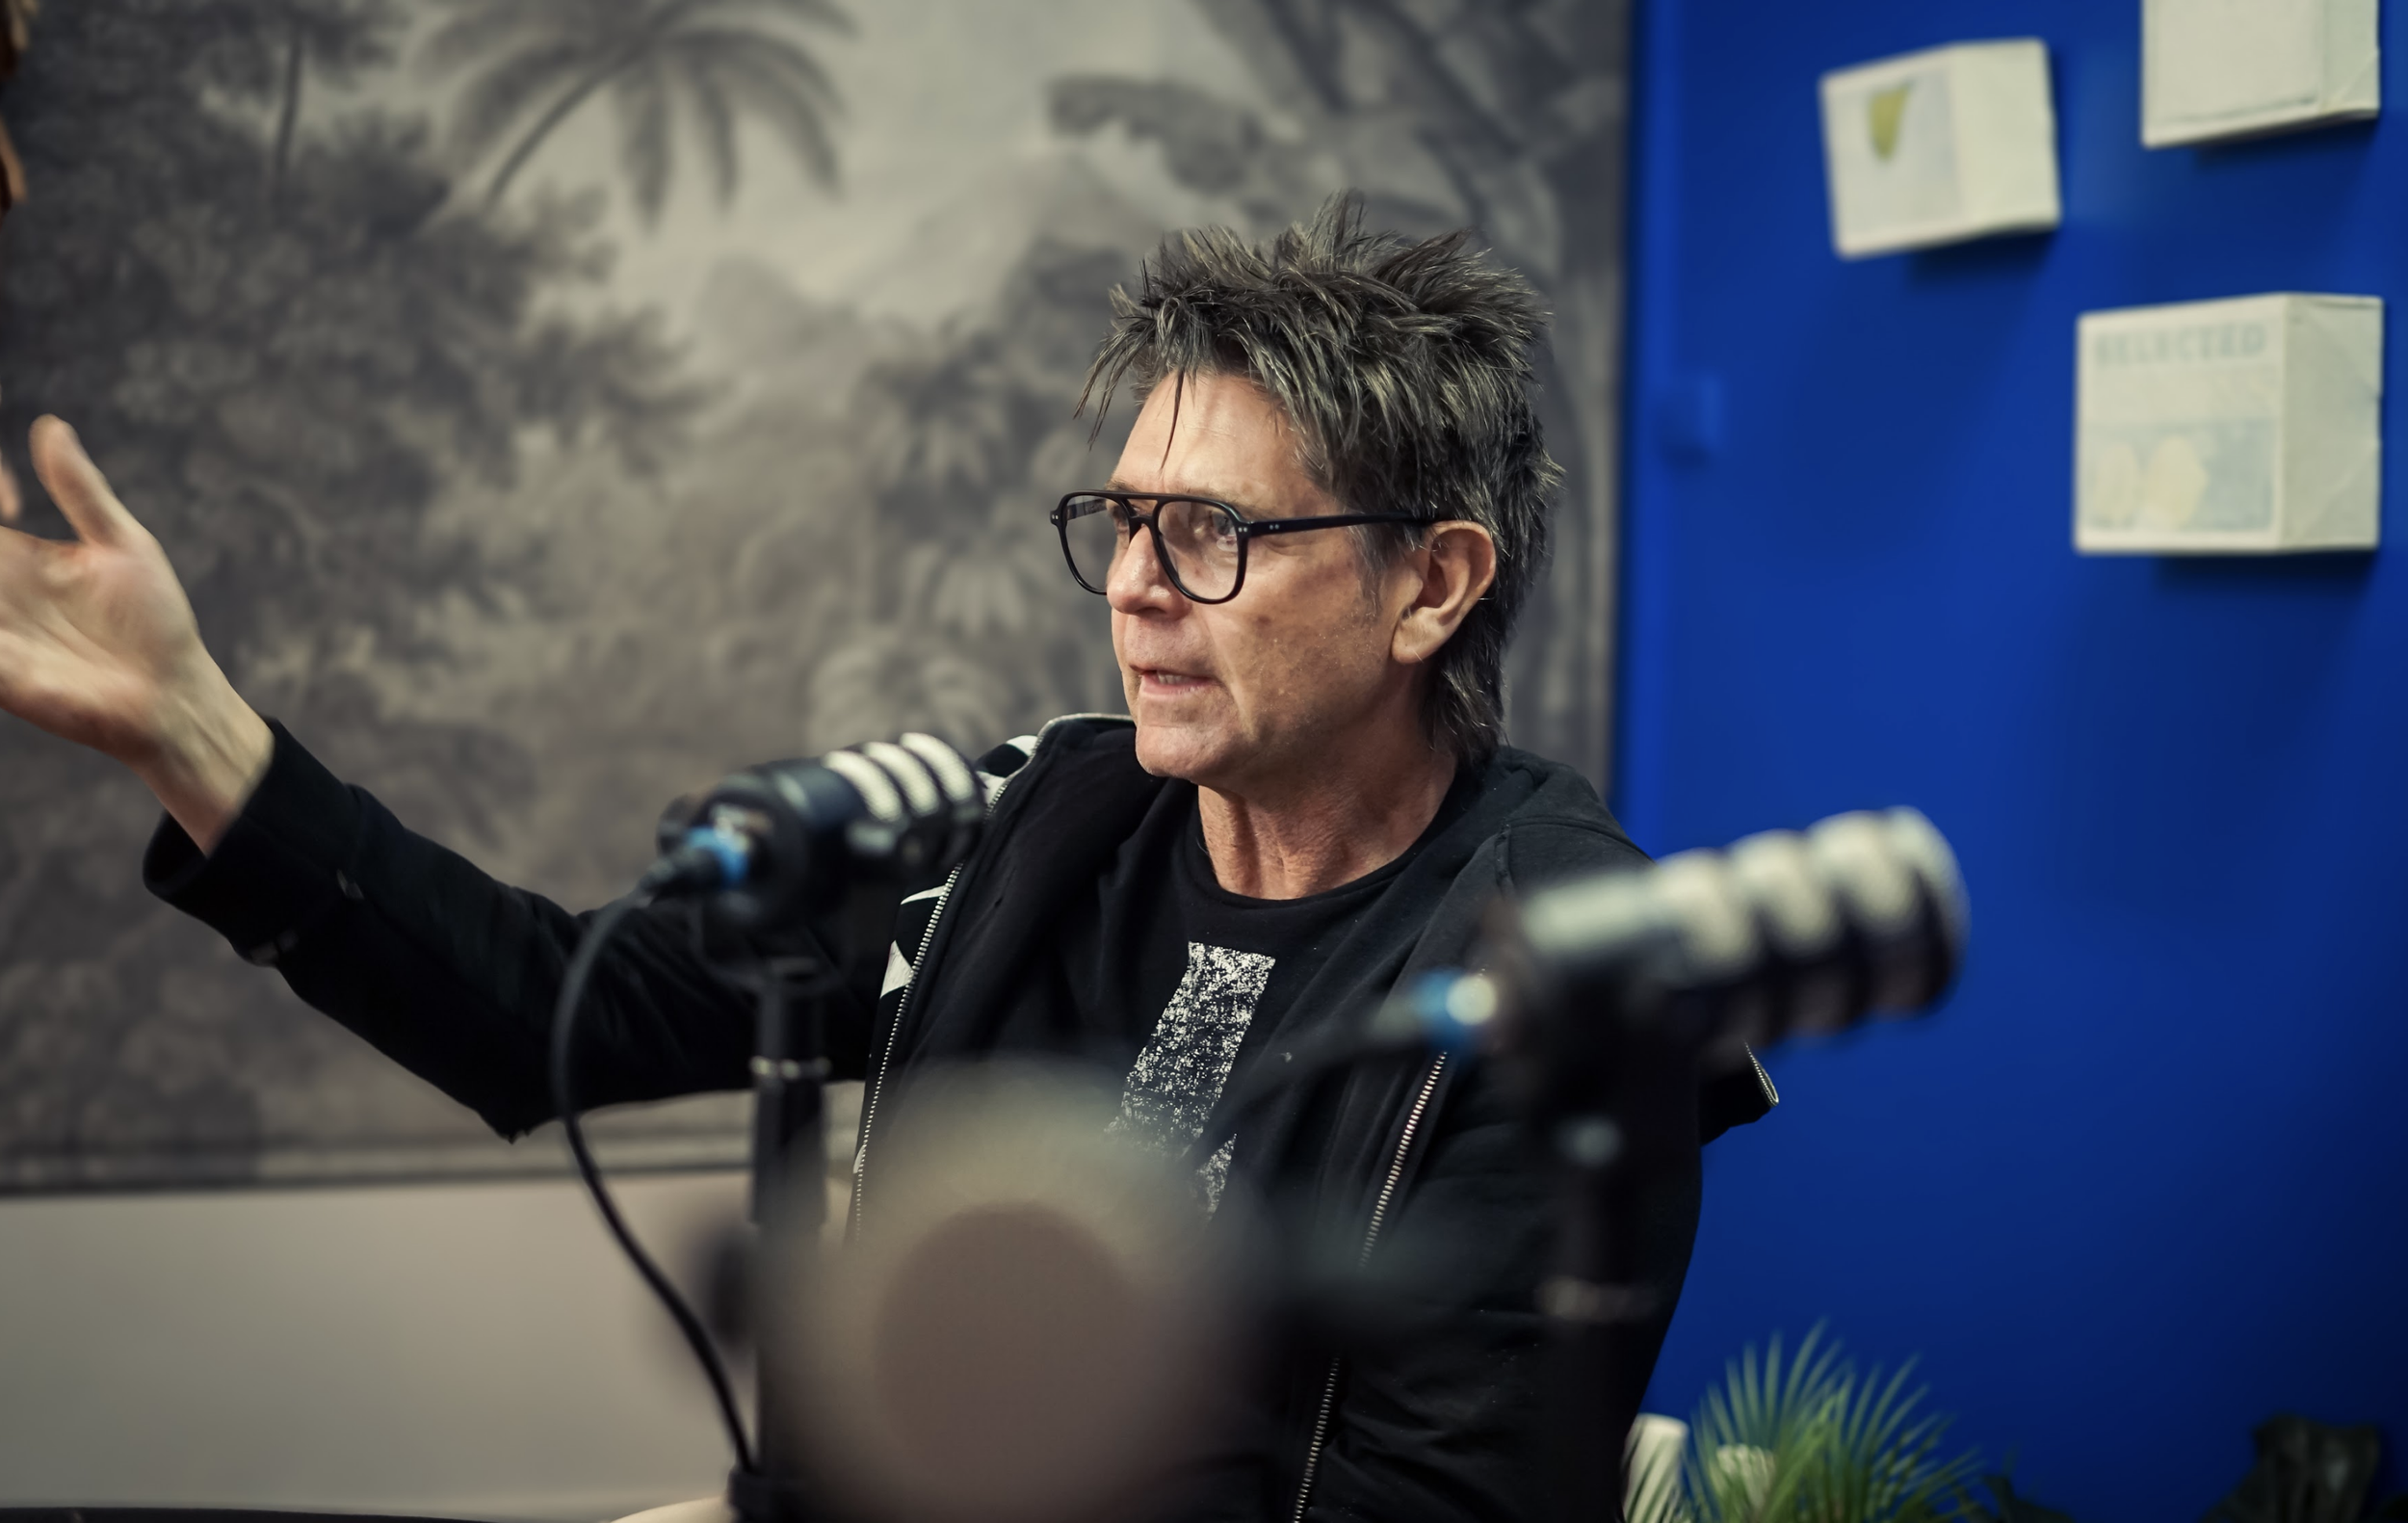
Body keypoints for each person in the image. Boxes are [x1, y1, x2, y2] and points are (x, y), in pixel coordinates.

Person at [0, 197, 1769, 1521]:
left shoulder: (1562, 967)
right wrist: (190, 726)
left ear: (1434, 583)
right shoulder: (1027, 827)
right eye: (1125, 522)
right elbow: (550, 1009)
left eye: (1217, 531)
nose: (1139, 587)